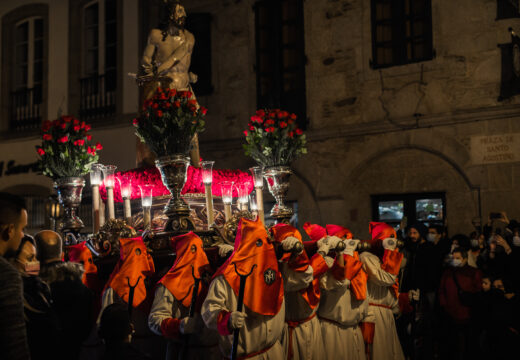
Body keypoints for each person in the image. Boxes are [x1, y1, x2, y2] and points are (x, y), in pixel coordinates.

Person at [202, 217, 286, 359]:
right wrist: (227, 319)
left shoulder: (273, 273)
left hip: (274, 352)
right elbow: (210, 310)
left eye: (266, 242)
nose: (264, 249)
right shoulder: (226, 278)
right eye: (258, 243)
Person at [148, 232, 219, 359]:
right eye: (193, 249)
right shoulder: (168, 285)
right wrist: (179, 326)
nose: (198, 254)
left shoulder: (211, 278)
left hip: (213, 352)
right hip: (184, 352)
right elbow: (154, 320)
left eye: (200, 248)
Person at [35, 230, 94, 360]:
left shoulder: (35, 289)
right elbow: (87, 328)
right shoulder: (83, 289)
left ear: (36, 257)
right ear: (62, 254)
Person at [271, 223, 327, 360]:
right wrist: (321, 254)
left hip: (312, 325)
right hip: (292, 330)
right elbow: (300, 279)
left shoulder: (307, 259)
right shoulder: (278, 267)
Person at [314, 224, 369, 360]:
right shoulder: (327, 263)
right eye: (344, 238)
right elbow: (340, 284)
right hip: (334, 331)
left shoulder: (356, 263)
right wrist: (345, 255)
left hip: (354, 330)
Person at [359, 222, 405, 360]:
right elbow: (385, 279)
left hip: (386, 314)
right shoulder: (367, 257)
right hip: (374, 314)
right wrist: (391, 254)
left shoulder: (385, 259)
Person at [12, 234, 61, 360]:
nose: (35, 263)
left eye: (36, 257)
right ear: (13, 262)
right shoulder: (14, 300)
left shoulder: (41, 290)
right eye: (30, 258)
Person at [0, 192, 30, 360]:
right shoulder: (7, 275)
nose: (23, 235)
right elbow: (14, 343)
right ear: (9, 230)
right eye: (22, 228)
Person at [438, 247, 482, 360]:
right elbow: (442, 290)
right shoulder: (448, 272)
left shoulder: (474, 272)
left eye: (458, 258)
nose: (455, 260)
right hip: (450, 313)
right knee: (452, 343)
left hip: (467, 313)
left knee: (467, 343)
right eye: (453, 258)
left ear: (465, 259)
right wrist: (444, 306)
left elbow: (478, 292)